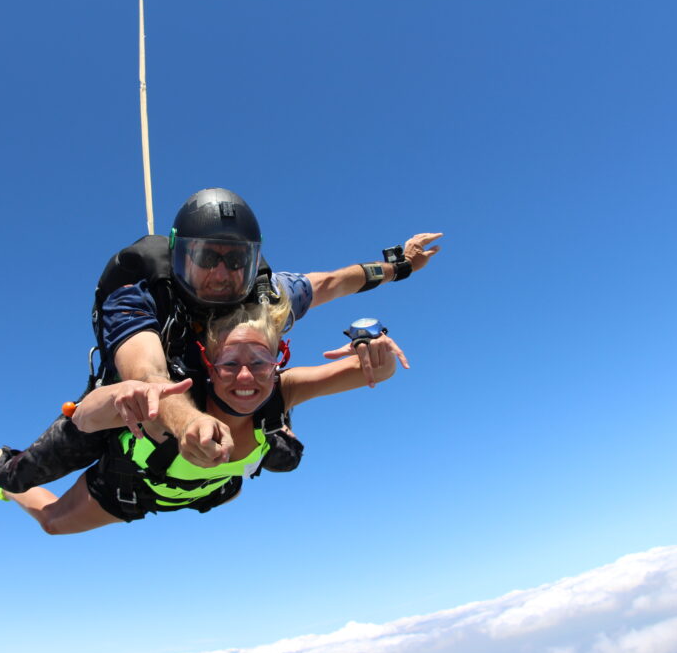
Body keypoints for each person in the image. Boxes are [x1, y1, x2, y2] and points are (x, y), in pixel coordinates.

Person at [0, 301, 406, 534]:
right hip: (131, 485)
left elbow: (374, 375)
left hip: (200, 493)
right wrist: (137, 398)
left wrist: (375, 355)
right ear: (208, 363)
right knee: (51, 521)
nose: (247, 378)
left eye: (261, 362)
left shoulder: (282, 392)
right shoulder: (171, 396)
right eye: (230, 364)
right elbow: (94, 414)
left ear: (278, 362)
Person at [92, 188, 442, 468]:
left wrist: (400, 267)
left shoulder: (267, 300)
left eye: (235, 260)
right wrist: (183, 421)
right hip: (137, 407)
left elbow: (333, 282)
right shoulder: (142, 294)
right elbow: (146, 372)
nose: (221, 274)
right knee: (60, 455)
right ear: (178, 255)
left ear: (252, 262)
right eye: (205, 258)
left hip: (227, 411)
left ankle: (270, 428)